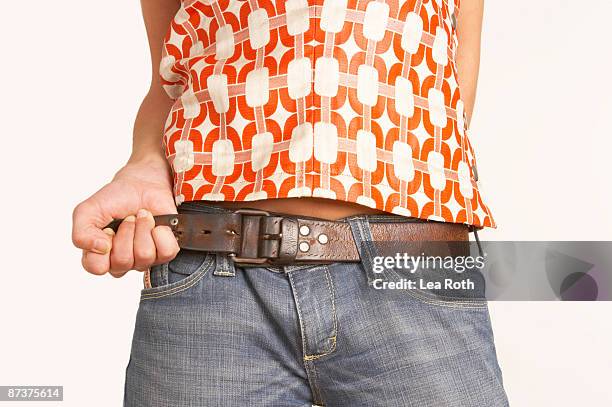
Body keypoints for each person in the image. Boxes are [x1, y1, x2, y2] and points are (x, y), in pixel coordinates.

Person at [72, 0, 508, 405]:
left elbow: (448, 92)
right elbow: (169, 83)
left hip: (411, 269)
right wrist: (145, 164)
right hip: (212, 274)